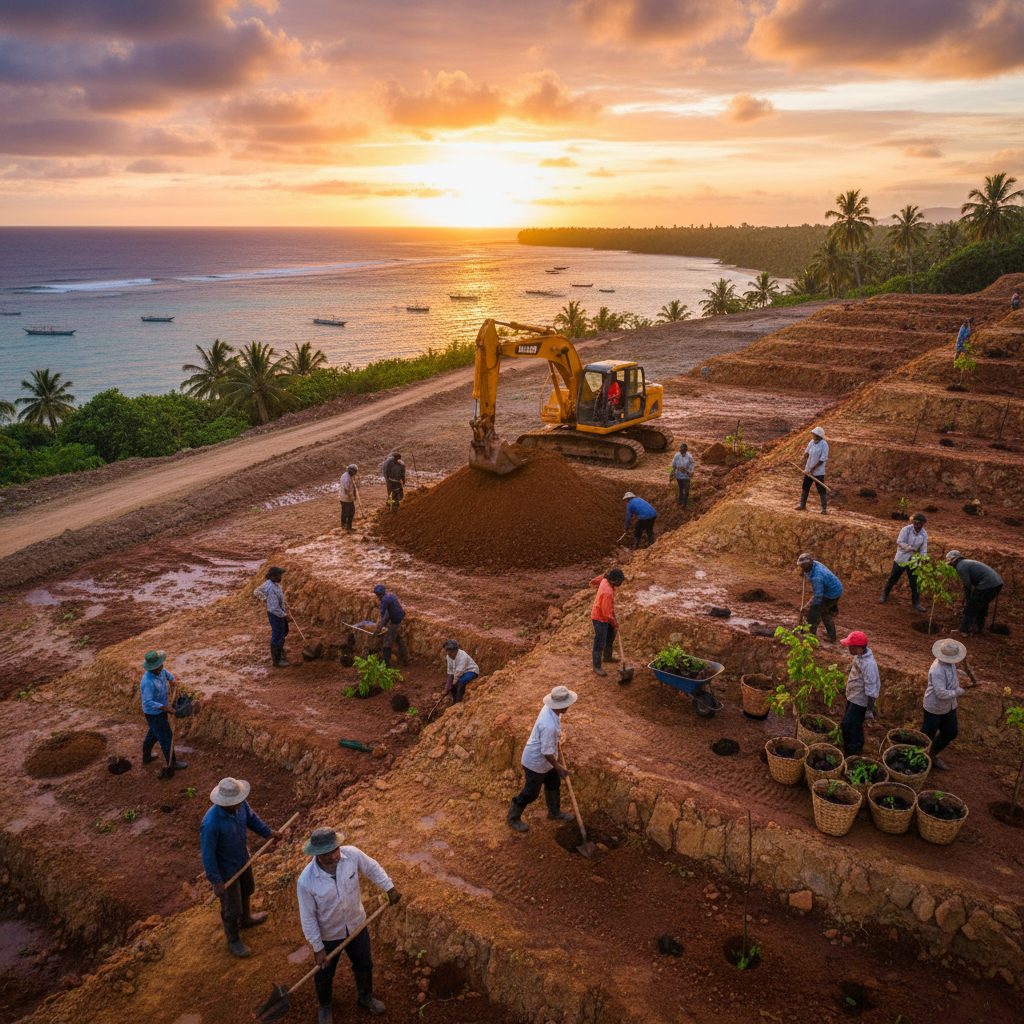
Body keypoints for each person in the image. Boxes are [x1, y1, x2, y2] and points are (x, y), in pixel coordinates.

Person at [297, 826, 401, 1023]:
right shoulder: (306, 882)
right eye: (325, 854)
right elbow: (308, 917)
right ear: (316, 854)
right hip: (329, 935)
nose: (332, 856)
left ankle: (365, 997)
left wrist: (389, 887)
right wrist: (318, 947)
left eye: (334, 850)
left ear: (339, 846)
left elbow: (372, 867)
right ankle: (325, 1006)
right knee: (324, 972)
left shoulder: (352, 855)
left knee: (364, 963)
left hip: (357, 925)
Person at [200, 777, 287, 958]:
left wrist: (268, 833)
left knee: (247, 889)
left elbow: (252, 820)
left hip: (242, 859)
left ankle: (246, 919)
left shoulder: (241, 806)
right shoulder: (210, 824)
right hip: (226, 872)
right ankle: (233, 940)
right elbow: (208, 855)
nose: (241, 802)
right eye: (237, 801)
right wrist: (216, 881)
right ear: (226, 802)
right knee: (231, 908)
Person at [506, 686, 577, 832]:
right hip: (535, 763)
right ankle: (513, 817)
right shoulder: (548, 725)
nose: (569, 706)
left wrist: (556, 751)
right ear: (560, 706)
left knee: (553, 783)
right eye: (567, 704)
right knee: (531, 792)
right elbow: (546, 752)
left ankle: (554, 812)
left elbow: (550, 745)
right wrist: (559, 767)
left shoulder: (553, 711)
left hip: (548, 760)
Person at [920, 637, 977, 770]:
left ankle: (932, 753)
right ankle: (920, 760)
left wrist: (964, 676)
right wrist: (958, 691)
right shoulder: (937, 670)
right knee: (927, 737)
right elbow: (941, 693)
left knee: (951, 732)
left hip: (949, 706)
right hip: (934, 707)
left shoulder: (949, 663)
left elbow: (952, 675)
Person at [140, 649, 187, 772]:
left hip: (161, 710)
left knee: (153, 734)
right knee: (166, 736)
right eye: (158, 667)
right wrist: (166, 708)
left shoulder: (160, 670)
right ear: (151, 668)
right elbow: (147, 702)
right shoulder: (147, 682)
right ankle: (172, 763)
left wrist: (172, 680)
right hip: (154, 713)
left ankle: (146, 757)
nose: (161, 668)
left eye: (161, 665)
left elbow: (165, 673)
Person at [838, 631, 880, 756]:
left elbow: (872, 691)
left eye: (851, 646)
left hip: (860, 701)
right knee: (853, 725)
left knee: (847, 726)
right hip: (853, 696)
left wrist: (869, 710)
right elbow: (857, 666)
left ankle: (853, 753)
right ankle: (851, 747)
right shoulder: (860, 655)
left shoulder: (869, 665)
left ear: (859, 648)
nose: (848, 648)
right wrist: (851, 668)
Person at [945, 550, 1003, 635]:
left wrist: (968, 600)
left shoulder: (960, 566)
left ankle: (962, 631)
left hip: (987, 585)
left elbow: (967, 584)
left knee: (969, 608)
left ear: (953, 560)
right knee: (982, 606)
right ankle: (978, 628)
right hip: (997, 583)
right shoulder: (966, 563)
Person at [879, 513, 928, 611]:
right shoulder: (906, 529)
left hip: (913, 561)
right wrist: (911, 548)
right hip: (901, 559)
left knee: (915, 583)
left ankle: (916, 603)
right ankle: (884, 596)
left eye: (918, 523)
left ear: (922, 523)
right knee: (893, 578)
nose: (916, 525)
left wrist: (923, 558)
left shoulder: (924, 534)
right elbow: (900, 542)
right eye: (914, 523)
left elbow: (923, 549)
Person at [797, 552, 843, 641]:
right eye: (801, 566)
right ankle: (829, 634)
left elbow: (818, 597)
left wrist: (814, 609)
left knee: (819, 613)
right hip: (831, 587)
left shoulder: (817, 577)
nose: (802, 568)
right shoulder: (813, 565)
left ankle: (812, 635)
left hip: (832, 593)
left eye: (803, 566)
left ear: (809, 564)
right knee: (820, 611)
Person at [589, 568, 624, 676]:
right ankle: (597, 666)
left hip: (606, 612)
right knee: (600, 641)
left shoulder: (605, 580)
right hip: (599, 617)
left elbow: (592, 582)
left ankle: (607, 657)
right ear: (613, 580)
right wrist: (615, 623)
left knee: (610, 635)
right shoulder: (607, 592)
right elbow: (606, 615)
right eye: (619, 582)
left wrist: (604, 575)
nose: (620, 584)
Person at [254, 566, 289, 667]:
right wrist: (285, 615)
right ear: (274, 577)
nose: (280, 577)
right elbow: (274, 608)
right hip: (276, 615)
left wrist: (265, 598)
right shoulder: (272, 589)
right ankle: (277, 661)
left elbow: (257, 591)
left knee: (282, 633)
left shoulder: (269, 583)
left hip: (277, 614)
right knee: (277, 635)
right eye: (279, 575)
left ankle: (279, 651)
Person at [372, 584, 408, 668]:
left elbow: (385, 616)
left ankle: (386, 666)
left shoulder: (383, 601)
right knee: (398, 639)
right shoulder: (391, 595)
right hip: (400, 619)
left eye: (377, 595)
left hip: (395, 622)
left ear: (378, 595)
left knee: (386, 645)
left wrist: (379, 630)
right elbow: (389, 612)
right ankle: (405, 661)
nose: (377, 597)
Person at [797, 426, 829, 514]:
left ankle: (824, 509)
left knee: (821, 490)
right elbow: (807, 452)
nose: (813, 437)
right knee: (805, 487)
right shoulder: (812, 442)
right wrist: (803, 457)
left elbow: (822, 459)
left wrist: (813, 468)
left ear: (818, 436)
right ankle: (802, 505)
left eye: (814, 436)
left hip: (818, 472)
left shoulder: (824, 445)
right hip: (808, 471)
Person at [442, 639, 479, 704]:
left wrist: (453, 682)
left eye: (451, 654)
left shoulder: (463, 656)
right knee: (453, 686)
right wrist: (448, 685)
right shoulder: (448, 656)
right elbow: (450, 671)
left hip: (471, 671)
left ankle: (458, 701)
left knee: (461, 681)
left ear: (455, 651)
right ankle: (454, 700)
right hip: (461, 672)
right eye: (448, 654)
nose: (450, 656)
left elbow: (459, 671)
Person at [670, 442, 695, 508]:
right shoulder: (677, 456)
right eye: (681, 451)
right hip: (678, 476)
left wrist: (690, 472)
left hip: (686, 476)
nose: (682, 453)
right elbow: (673, 465)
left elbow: (692, 464)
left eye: (683, 451)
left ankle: (685, 504)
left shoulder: (689, 457)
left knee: (686, 490)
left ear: (686, 451)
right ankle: (680, 501)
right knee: (681, 489)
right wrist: (676, 469)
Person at [339, 464, 359, 532]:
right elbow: (348, 490)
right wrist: (353, 497)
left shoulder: (345, 475)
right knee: (351, 512)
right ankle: (348, 527)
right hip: (346, 498)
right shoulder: (347, 478)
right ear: (352, 471)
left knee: (344, 512)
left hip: (343, 497)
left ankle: (344, 524)